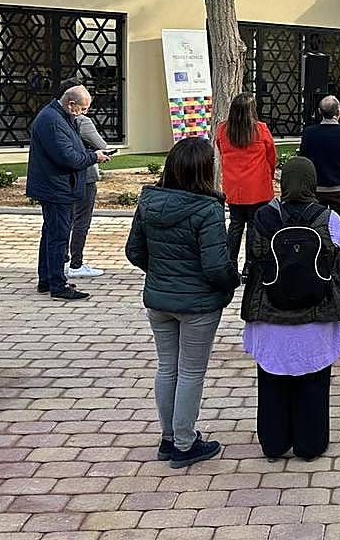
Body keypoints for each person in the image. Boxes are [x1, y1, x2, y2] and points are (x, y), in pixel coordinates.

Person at [126, 136, 239, 468]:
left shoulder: (149, 201)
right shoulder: (208, 209)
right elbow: (217, 266)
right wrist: (233, 282)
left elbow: (134, 251)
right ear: (205, 171)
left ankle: (169, 437)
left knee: (167, 367)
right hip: (198, 305)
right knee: (190, 371)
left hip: (159, 301)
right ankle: (185, 443)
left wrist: (163, 273)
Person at [241, 157, 340, 460]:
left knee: (272, 381)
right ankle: (310, 443)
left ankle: (274, 442)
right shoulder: (327, 218)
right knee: (314, 380)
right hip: (316, 312)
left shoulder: (263, 217)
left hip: (269, 312)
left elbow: (253, 253)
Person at [26, 84, 110, 301]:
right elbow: (68, 157)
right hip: (56, 187)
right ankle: (57, 285)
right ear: (71, 103)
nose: (82, 113)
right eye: (81, 109)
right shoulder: (52, 120)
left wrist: (89, 153)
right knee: (58, 236)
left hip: (59, 186)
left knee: (51, 233)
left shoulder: (60, 116)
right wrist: (94, 157)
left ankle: (47, 278)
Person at [299, 96, 340, 282]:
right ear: (338, 113)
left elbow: (304, 159)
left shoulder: (309, 133)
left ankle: (315, 262)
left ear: (319, 112)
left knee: (314, 225)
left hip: (316, 188)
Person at [217, 92, 277, 269]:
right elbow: (271, 156)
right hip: (257, 186)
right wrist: (269, 175)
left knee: (235, 225)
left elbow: (221, 151)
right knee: (253, 226)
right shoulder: (260, 129)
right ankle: (250, 265)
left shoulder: (223, 129)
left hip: (234, 187)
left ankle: (230, 263)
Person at [55, 78, 108, 279]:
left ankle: (63, 261)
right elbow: (100, 144)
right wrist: (96, 153)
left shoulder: (56, 119)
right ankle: (76, 263)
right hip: (84, 177)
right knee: (81, 221)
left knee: (65, 221)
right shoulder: (81, 121)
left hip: (64, 178)